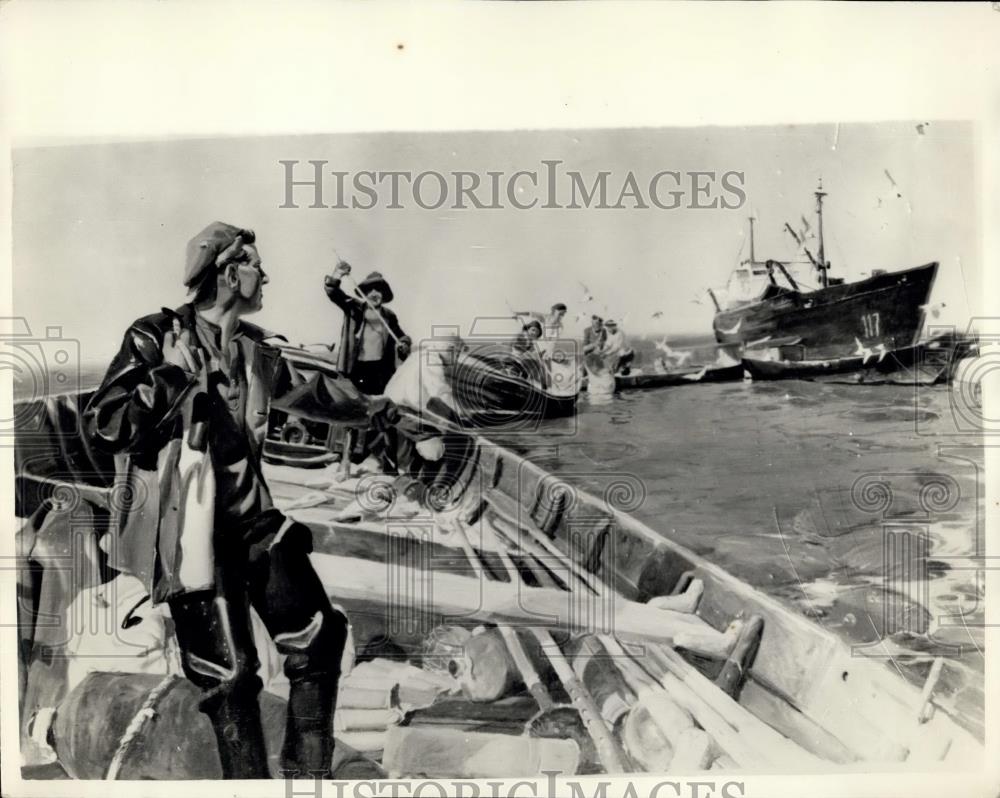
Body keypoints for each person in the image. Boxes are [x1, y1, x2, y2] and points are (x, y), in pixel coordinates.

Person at [83, 222, 349, 779]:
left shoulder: (253, 350)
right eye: (255, 263)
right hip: (193, 539)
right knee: (229, 678)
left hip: (256, 526)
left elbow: (317, 394)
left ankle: (309, 779)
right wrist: (171, 374)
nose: (265, 274)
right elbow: (106, 425)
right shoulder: (154, 337)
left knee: (321, 639)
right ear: (229, 273)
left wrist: (387, 417)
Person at [324, 261, 412, 395]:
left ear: (384, 295)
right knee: (354, 406)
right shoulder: (354, 307)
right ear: (364, 293)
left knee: (377, 406)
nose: (374, 293)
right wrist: (337, 274)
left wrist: (404, 344)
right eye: (370, 290)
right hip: (356, 368)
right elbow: (334, 293)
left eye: (379, 290)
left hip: (381, 371)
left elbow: (401, 336)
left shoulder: (389, 315)